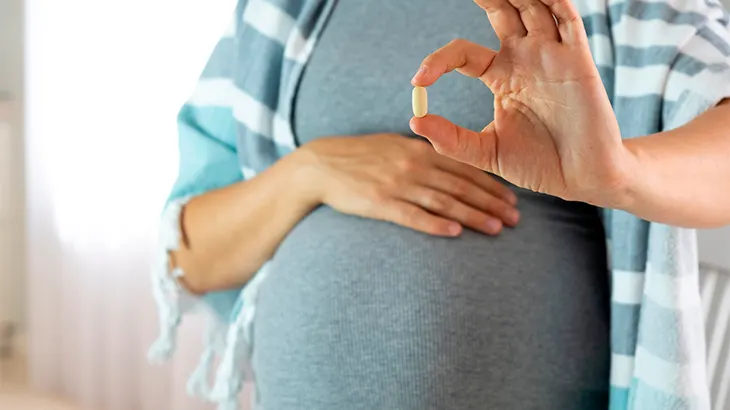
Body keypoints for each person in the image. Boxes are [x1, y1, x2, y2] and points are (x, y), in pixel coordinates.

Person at [150, 0, 730, 409]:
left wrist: (618, 173)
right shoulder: (281, 13)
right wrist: (308, 173)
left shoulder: (608, 11)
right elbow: (188, 257)